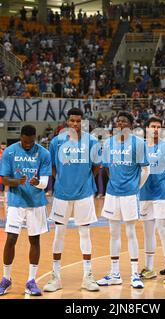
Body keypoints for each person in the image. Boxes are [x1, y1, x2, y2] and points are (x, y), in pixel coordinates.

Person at [44, 108, 100, 293]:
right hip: (61, 194)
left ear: (83, 122)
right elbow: (52, 166)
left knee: (85, 234)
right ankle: (56, 277)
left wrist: (84, 179)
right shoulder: (56, 141)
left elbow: (96, 166)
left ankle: (88, 276)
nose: (75, 124)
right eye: (72, 121)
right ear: (67, 122)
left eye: (78, 121)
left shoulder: (91, 141)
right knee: (59, 233)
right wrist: (62, 179)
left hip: (84, 194)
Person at [0, 125, 52, 296]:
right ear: (20, 137)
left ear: (35, 138)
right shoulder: (10, 152)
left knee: (35, 240)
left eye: (31, 142)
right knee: (11, 239)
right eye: (25, 142)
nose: (28, 145)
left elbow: (45, 183)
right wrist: (17, 182)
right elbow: (3, 179)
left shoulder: (43, 153)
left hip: (36, 202)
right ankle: (6, 279)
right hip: (16, 202)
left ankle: (31, 281)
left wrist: (36, 183)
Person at [97, 111, 150, 289]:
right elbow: (107, 168)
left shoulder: (138, 143)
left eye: (124, 121)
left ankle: (135, 273)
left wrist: (136, 188)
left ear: (130, 125)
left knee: (130, 232)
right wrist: (115, 183)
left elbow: (146, 170)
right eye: (118, 121)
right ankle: (115, 274)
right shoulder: (108, 143)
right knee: (113, 233)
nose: (120, 124)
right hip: (112, 194)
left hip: (129, 194)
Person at [139, 117, 165, 284]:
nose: (155, 129)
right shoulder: (140, 148)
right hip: (145, 194)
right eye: (152, 126)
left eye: (158, 127)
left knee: (163, 229)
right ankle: (149, 268)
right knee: (148, 231)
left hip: (162, 194)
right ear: (146, 128)